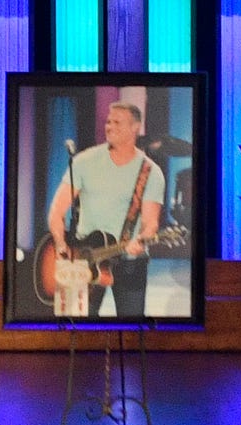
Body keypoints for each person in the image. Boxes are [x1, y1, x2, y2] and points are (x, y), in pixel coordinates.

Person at [43, 100, 182, 319]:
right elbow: (56, 212)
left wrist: (142, 239)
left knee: (132, 327)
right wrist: (61, 244)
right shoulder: (83, 161)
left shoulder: (151, 172)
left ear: (135, 127)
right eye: (108, 122)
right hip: (84, 257)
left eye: (117, 122)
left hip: (129, 262)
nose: (110, 127)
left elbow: (151, 222)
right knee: (78, 329)